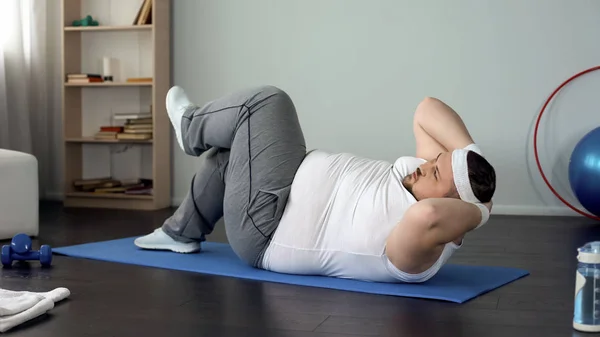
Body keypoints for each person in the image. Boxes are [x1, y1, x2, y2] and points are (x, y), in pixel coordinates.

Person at [134, 85, 496, 283]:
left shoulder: (419, 247)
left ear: (458, 209)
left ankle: (190, 128)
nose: (423, 166)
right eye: (434, 160)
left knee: (265, 105)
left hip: (266, 230)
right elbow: (426, 109)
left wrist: (481, 212)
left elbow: (431, 214)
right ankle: (179, 232)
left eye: (435, 171)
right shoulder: (424, 179)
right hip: (284, 184)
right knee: (233, 154)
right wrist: (469, 153)